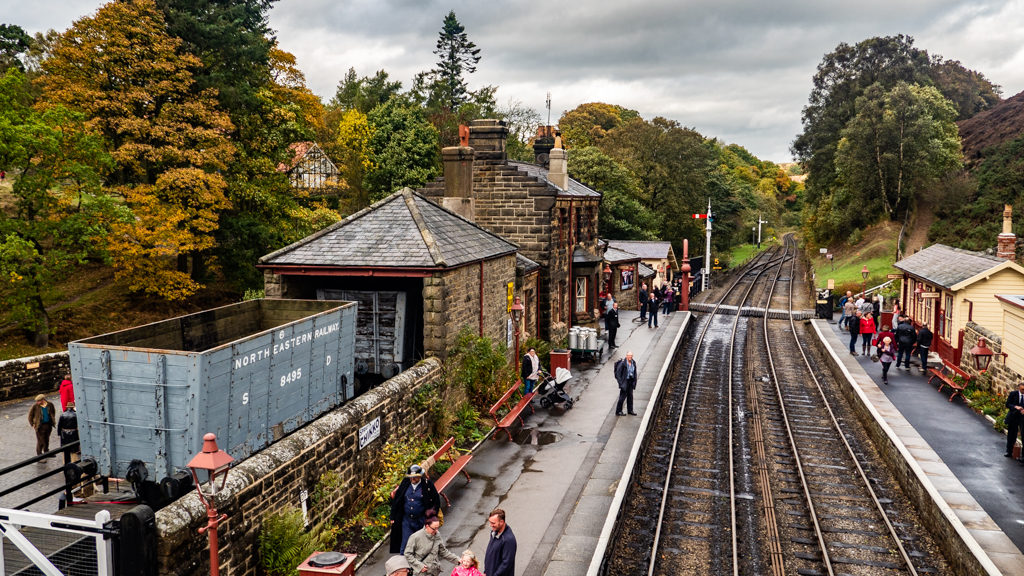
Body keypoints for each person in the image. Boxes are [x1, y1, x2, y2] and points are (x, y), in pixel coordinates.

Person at [390, 465, 441, 554]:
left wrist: (432, 518)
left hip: (421, 520)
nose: (412, 479)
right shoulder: (405, 483)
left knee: (421, 545)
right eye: (411, 477)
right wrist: (393, 517)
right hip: (407, 520)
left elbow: (436, 501)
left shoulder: (427, 484)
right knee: (405, 544)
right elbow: (397, 500)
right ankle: (404, 565)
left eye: (415, 477)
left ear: (420, 476)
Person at [484, 509, 516, 576]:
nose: (491, 525)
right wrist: (485, 571)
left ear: (501, 522)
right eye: (490, 522)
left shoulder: (508, 540)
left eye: (493, 523)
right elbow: (491, 554)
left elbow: (506, 564)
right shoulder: (494, 532)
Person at [614, 351, 639, 416]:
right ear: (626, 356)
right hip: (625, 382)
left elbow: (635, 373)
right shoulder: (623, 364)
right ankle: (618, 411)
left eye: (631, 356)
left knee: (630, 396)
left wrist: (634, 381)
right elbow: (618, 374)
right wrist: (621, 383)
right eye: (629, 355)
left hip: (631, 381)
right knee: (622, 397)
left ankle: (630, 410)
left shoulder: (633, 363)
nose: (630, 357)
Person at [1004, 381, 1024, 460]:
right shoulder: (1013, 394)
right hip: (1014, 416)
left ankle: (1023, 457)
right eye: (1022, 389)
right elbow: (1008, 404)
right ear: (1019, 388)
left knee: (1023, 436)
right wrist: (1015, 407)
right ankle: (1009, 451)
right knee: (1011, 434)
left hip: (1023, 418)